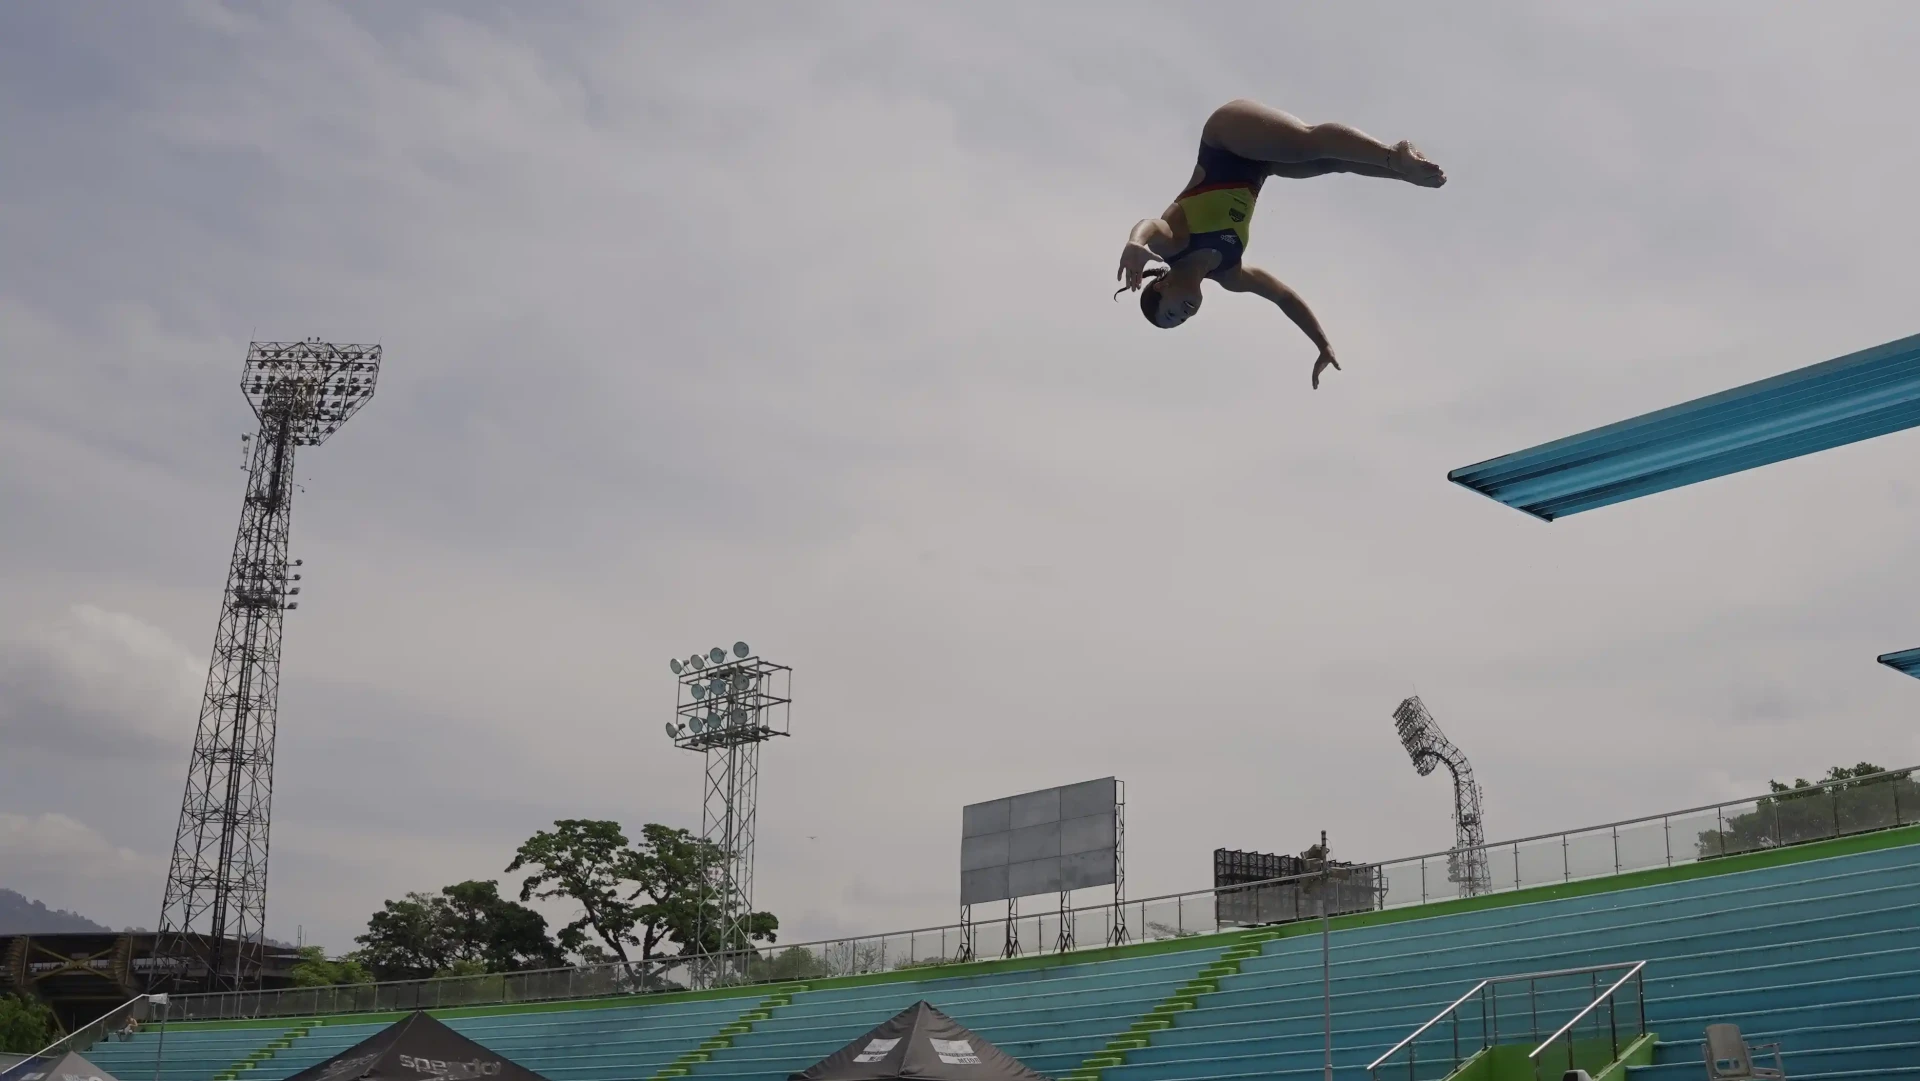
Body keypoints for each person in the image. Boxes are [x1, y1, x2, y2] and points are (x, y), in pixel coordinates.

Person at [1115, 99, 1445, 388]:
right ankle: (1406, 172)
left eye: (1172, 312)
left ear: (1162, 285)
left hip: (1224, 139)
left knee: (1306, 144)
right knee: (1332, 162)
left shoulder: (1173, 245)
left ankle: (1394, 155)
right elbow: (1284, 297)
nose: (1184, 314)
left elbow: (1149, 226)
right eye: (1182, 320)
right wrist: (1321, 344)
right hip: (1259, 166)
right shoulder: (1229, 274)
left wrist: (1133, 243)